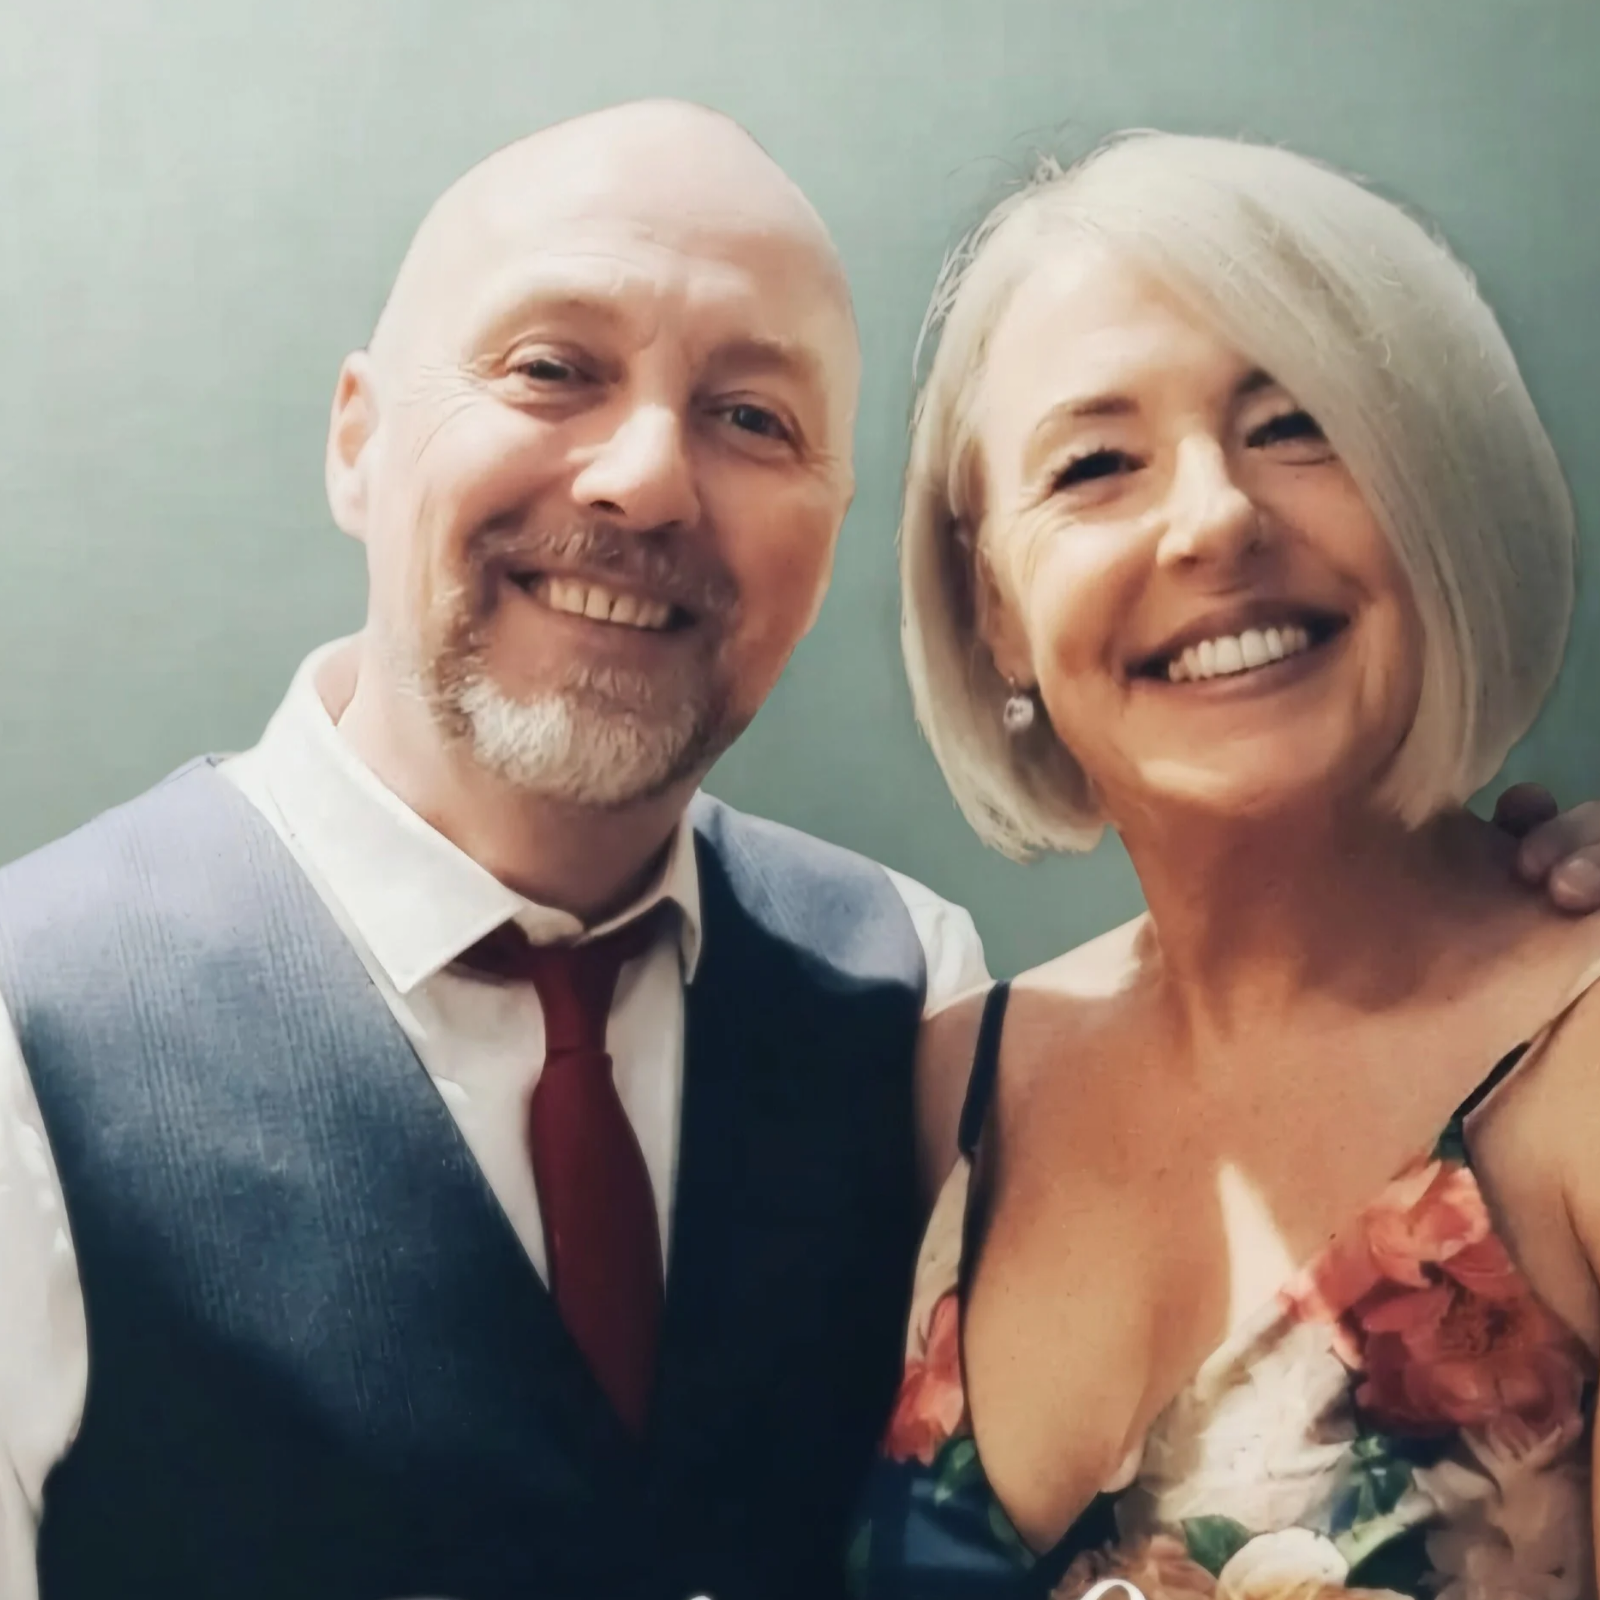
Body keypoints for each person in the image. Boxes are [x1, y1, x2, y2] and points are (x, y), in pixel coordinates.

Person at [0, 105, 1590, 1600]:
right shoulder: (32, 1025)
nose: (644, 477)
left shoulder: (897, 992)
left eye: (751, 417)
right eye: (551, 368)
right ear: (357, 438)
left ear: (830, 542)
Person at [850, 131, 1600, 1600]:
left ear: (1433, 489)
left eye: (1298, 424)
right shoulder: (946, 1089)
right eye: (1095, 465)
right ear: (994, 607)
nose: (1214, 517)